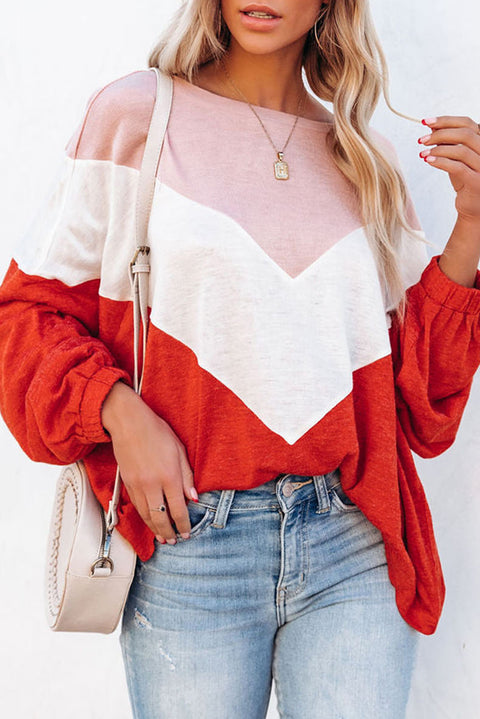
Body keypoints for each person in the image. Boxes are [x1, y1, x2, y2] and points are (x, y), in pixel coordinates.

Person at [0, 0, 480, 717]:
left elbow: (418, 405)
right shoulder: (136, 118)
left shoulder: (365, 158)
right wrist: (117, 410)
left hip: (350, 543)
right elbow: (25, 315)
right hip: (191, 542)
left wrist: (471, 227)